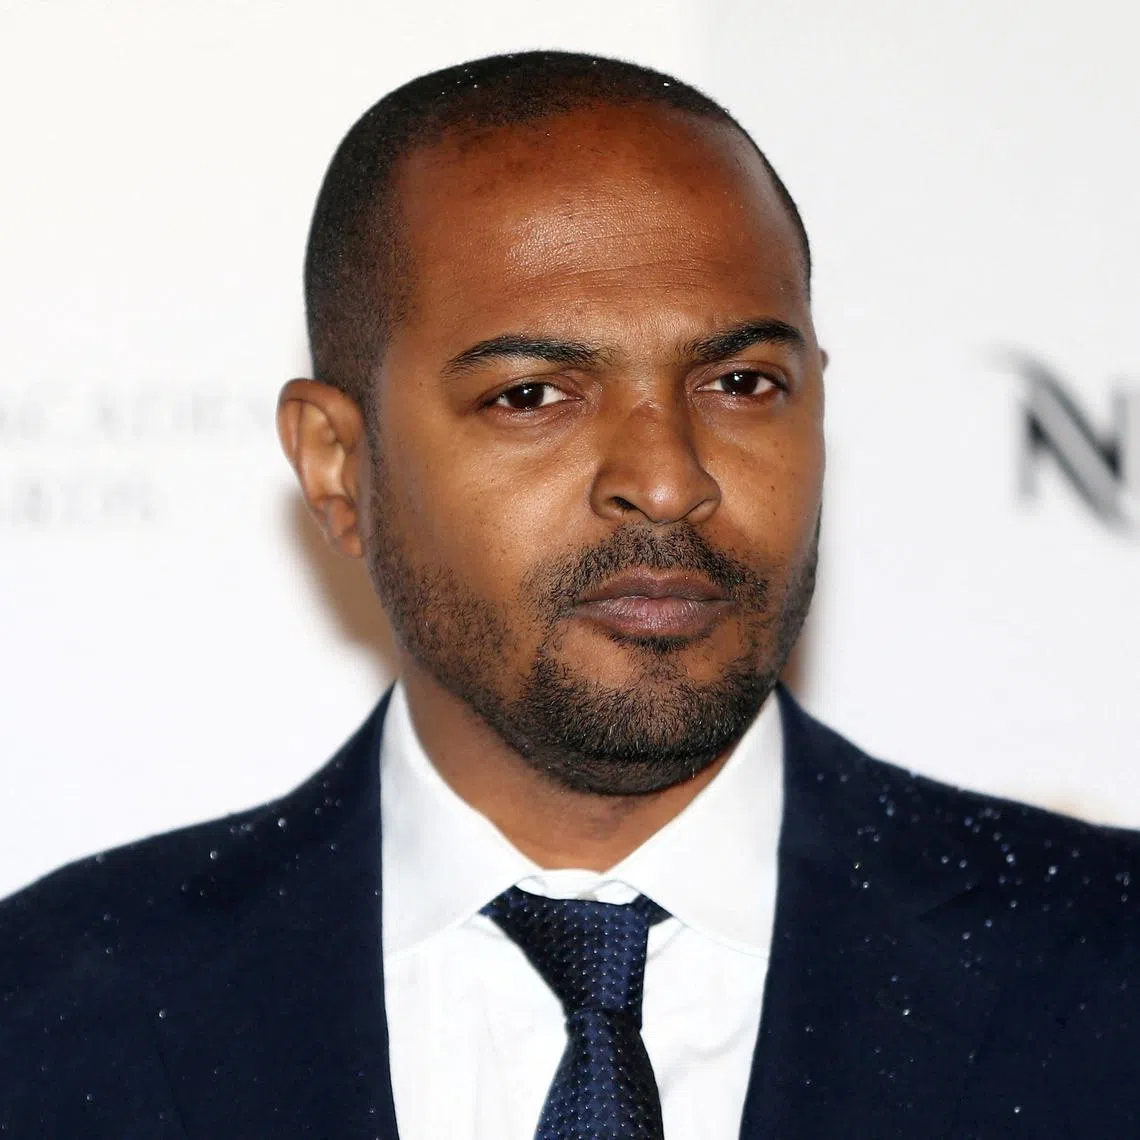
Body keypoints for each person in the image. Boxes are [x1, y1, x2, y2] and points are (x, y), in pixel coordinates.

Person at [1, 49, 1138, 1140]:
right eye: (533, 395)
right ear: (339, 465)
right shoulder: (53, 1015)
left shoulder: (1106, 966)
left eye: (742, 383)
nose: (667, 479)